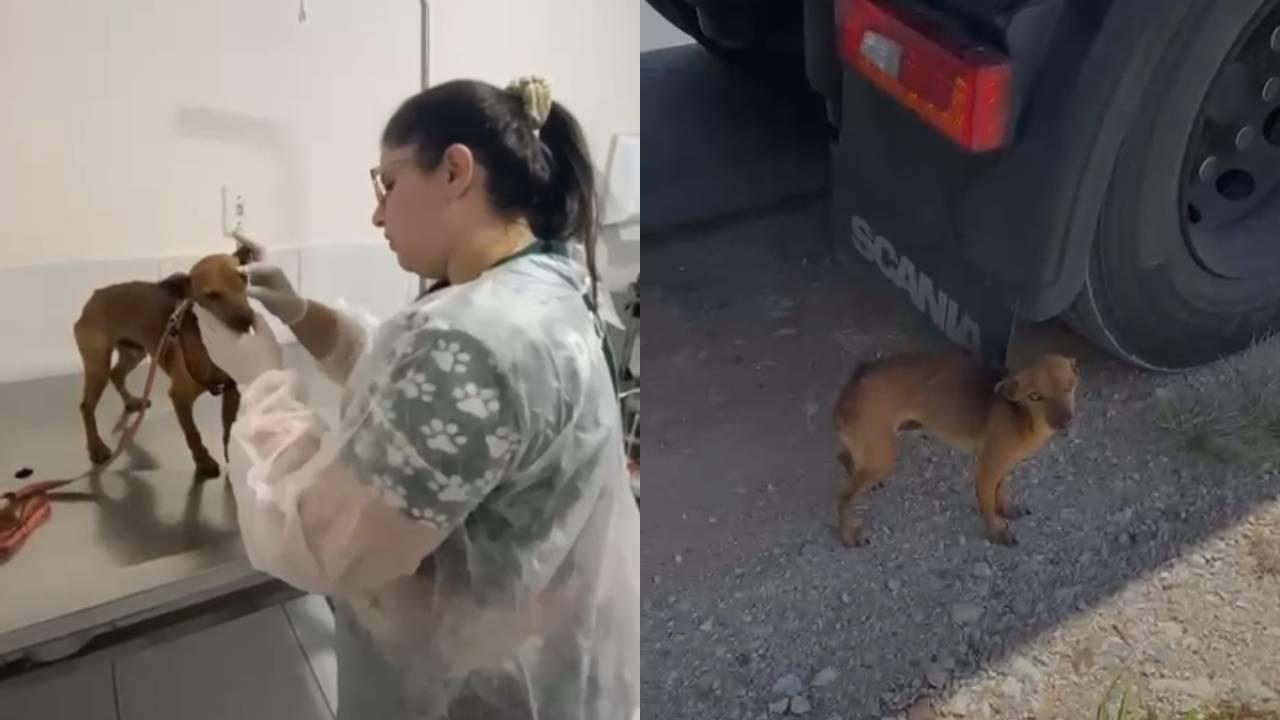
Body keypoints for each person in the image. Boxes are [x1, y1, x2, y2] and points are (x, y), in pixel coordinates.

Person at [192, 75, 640, 720]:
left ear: (456, 170)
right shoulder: (545, 284)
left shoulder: (468, 336)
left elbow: (323, 542)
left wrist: (260, 381)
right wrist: (298, 312)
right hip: (560, 661)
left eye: (388, 182)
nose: (377, 213)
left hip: (479, 689)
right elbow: (415, 386)